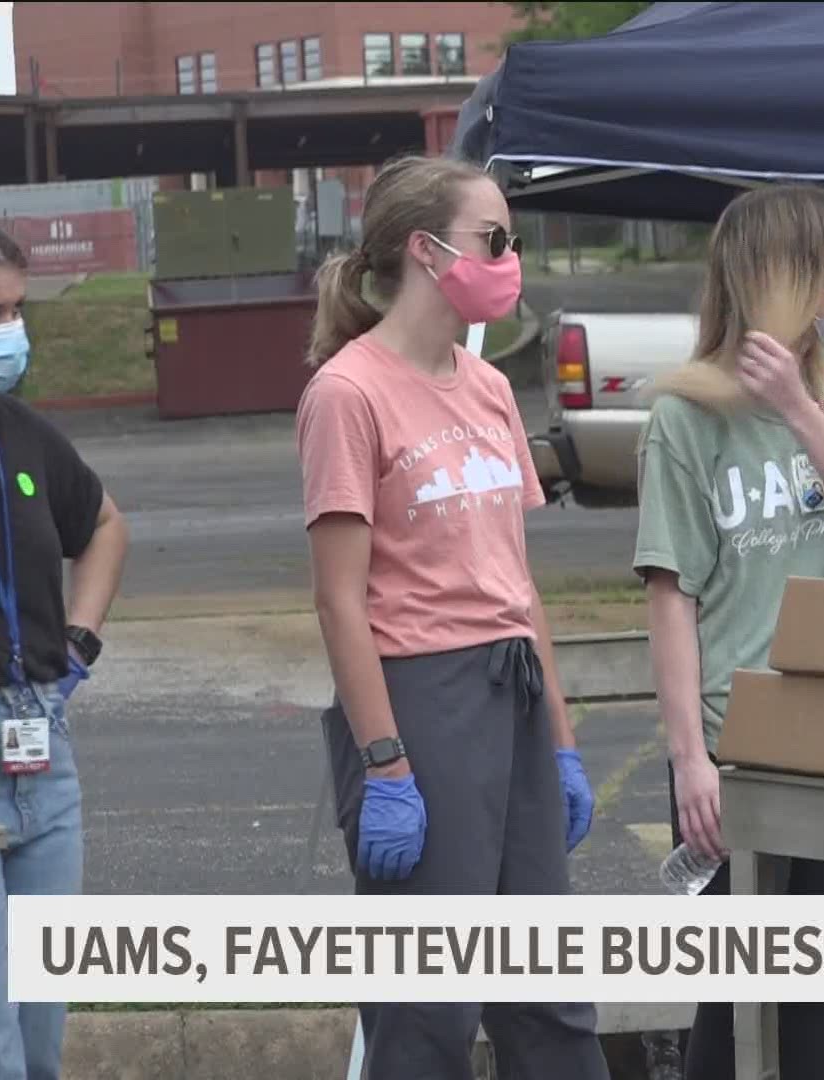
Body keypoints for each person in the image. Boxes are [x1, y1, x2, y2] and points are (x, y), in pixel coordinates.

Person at [296, 154, 608, 1080]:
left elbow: (516, 580)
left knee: (547, 988)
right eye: (494, 239)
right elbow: (337, 598)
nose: (509, 259)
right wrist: (385, 761)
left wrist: (558, 741)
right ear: (427, 252)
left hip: (509, 687)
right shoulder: (348, 393)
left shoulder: (490, 389)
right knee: (429, 1003)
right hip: (421, 700)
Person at [634, 183, 824, 1080]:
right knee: (735, 991)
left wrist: (802, 409)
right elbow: (672, 597)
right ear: (784, 272)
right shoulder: (684, 418)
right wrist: (687, 758)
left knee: (813, 985)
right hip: (737, 739)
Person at [0, 208, 129, 1080]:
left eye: (16, 311)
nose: (10, 334)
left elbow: (105, 523)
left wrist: (80, 638)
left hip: (44, 755)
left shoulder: (20, 432)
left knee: (41, 1036)